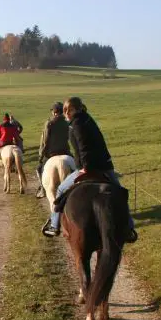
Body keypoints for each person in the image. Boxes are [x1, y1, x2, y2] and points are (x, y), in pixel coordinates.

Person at [42, 97, 137, 243]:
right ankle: (129, 228)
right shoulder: (88, 119)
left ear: (76, 109)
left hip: (88, 167)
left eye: (69, 110)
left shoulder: (76, 125)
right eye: (65, 110)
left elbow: (83, 147)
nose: (66, 113)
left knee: (60, 190)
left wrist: (85, 168)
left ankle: (54, 225)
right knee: (120, 193)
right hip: (105, 165)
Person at [36, 102, 72, 198]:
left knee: (39, 169)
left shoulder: (49, 123)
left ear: (54, 112)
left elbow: (45, 141)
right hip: (66, 152)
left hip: (51, 154)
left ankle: (42, 189)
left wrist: (41, 156)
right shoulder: (67, 123)